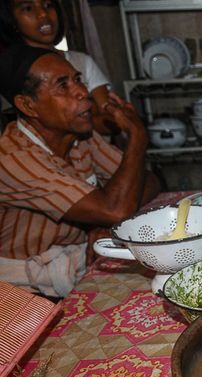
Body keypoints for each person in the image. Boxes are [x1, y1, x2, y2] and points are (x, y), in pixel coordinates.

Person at [0, 45, 160, 297]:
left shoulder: (80, 136)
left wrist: (108, 221)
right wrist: (137, 138)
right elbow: (117, 207)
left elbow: (148, 181)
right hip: (23, 292)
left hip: (76, 267)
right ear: (28, 105)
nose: (82, 92)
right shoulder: (13, 159)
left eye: (78, 80)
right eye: (62, 86)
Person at [0, 0, 114, 134]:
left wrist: (120, 119)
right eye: (28, 8)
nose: (43, 13)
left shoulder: (81, 61)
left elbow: (108, 118)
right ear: (11, 20)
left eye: (48, 5)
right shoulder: (10, 74)